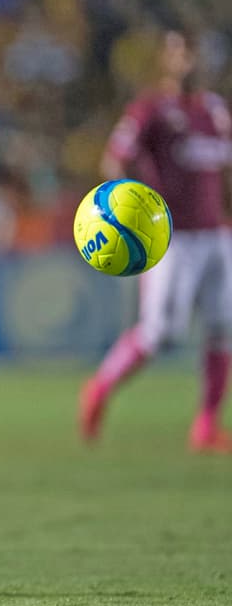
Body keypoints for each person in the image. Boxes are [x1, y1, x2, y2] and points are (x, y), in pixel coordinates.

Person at [80, 29, 232, 452]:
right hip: (175, 239)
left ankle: (206, 426)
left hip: (217, 235)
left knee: (223, 329)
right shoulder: (151, 109)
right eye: (182, 51)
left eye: (197, 52)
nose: (191, 61)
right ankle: (100, 387)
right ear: (168, 59)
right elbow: (114, 159)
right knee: (159, 333)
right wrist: (139, 209)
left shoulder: (216, 111)